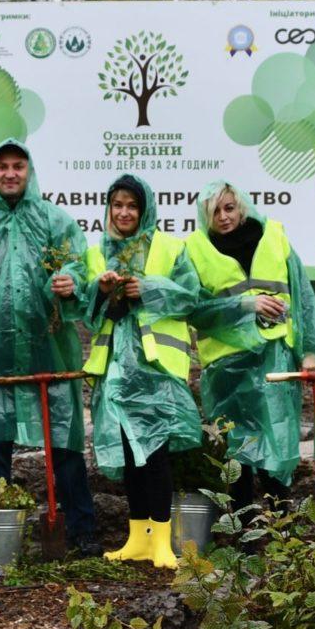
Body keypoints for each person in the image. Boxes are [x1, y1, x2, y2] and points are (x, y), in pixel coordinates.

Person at [0, 140, 100, 555]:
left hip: (49, 352)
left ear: (29, 170)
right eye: (3, 167)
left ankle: (81, 528)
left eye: (19, 166)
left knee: (64, 445)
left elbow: (77, 265)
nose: (11, 173)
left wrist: (70, 282)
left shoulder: (55, 220)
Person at [68, 176, 201, 569]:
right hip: (116, 372)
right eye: (117, 205)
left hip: (155, 368)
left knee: (155, 454)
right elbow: (87, 314)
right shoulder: (97, 254)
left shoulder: (170, 247)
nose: (124, 213)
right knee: (130, 454)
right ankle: (138, 538)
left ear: (145, 211)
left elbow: (190, 295)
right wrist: (101, 288)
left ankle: (162, 540)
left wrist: (148, 288)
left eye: (132, 206)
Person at [185, 180, 315, 510]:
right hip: (226, 366)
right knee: (235, 448)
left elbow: (302, 296)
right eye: (215, 211)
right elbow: (195, 310)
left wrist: (309, 351)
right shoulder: (194, 250)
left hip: (273, 357)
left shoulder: (275, 237)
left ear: (242, 207)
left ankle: (282, 524)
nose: (223, 217)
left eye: (229, 208)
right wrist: (247, 305)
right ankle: (243, 532)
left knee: (277, 438)